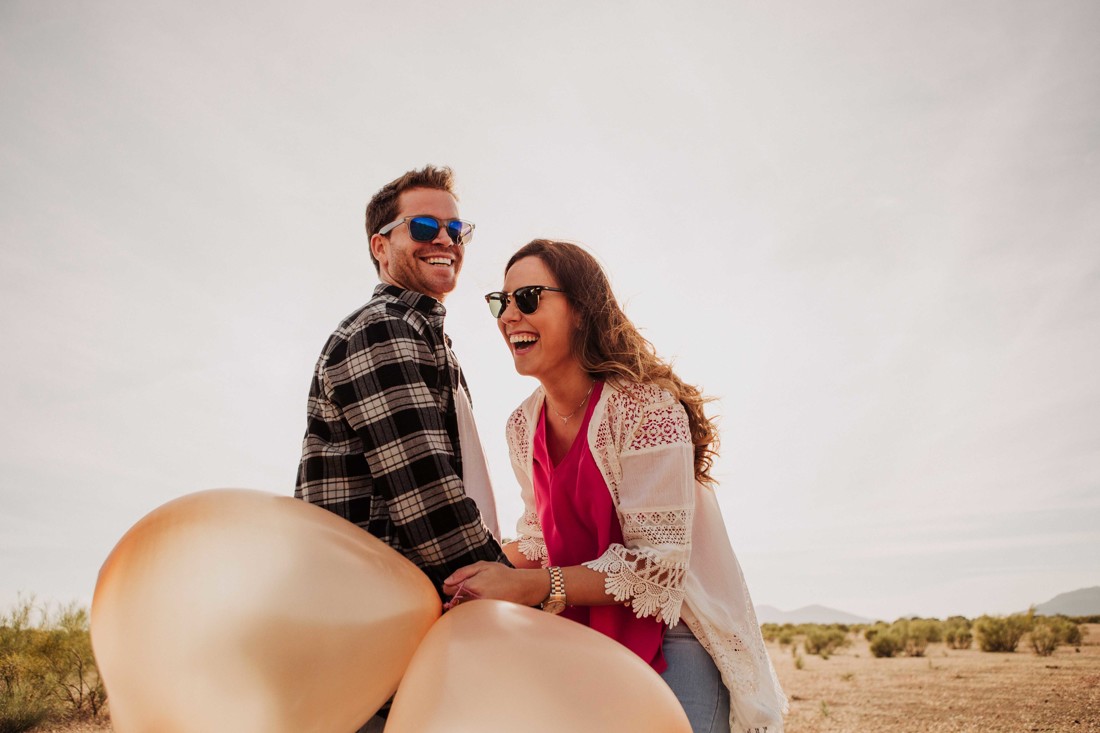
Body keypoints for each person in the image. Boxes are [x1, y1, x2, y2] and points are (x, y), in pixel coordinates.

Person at [442, 240, 788, 733]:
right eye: (500, 302)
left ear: (581, 310)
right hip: (587, 638)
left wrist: (530, 586)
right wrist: (466, 573)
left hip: (676, 635)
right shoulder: (521, 425)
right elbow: (540, 539)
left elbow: (658, 569)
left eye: (529, 298)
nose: (509, 316)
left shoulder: (648, 408)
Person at [296, 166, 508, 730]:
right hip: (371, 642)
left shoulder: (428, 338)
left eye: (456, 230)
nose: (445, 240)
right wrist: (517, 592)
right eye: (422, 225)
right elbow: (429, 500)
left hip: (401, 638)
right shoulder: (382, 329)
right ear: (380, 245)